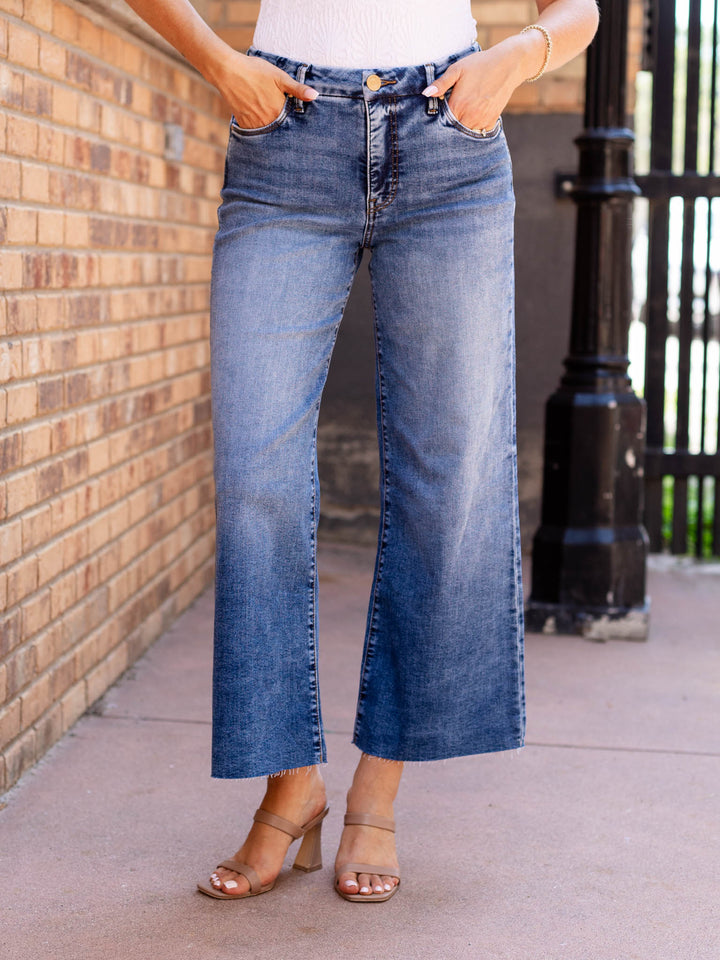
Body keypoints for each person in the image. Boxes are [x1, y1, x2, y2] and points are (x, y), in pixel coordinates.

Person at [125, 0, 599, 902]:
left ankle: (378, 791)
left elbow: (577, 11)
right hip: (285, 141)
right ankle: (290, 787)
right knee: (254, 476)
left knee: (447, 480)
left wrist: (515, 60)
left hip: (450, 140)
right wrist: (218, 61)